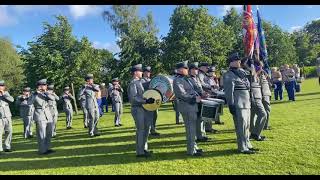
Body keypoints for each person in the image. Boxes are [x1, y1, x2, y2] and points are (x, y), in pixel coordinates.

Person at [223, 53, 257, 154]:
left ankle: (247, 144)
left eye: (239, 60)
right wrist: (231, 104)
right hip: (238, 104)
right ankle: (242, 147)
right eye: (237, 60)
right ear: (231, 62)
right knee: (241, 126)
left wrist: (251, 65)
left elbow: (253, 77)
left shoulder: (242, 71)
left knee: (247, 125)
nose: (239, 62)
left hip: (246, 103)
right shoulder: (228, 74)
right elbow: (229, 92)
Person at [173, 61, 203, 156]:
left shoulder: (186, 79)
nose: (187, 70)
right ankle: (191, 151)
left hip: (192, 106)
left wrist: (202, 95)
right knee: (190, 129)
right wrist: (195, 98)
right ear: (181, 69)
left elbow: (193, 90)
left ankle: (194, 147)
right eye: (186, 68)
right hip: (187, 106)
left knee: (192, 129)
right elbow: (181, 94)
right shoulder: (177, 80)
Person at [128, 64, 155, 158]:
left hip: (144, 108)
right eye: (140, 71)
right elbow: (133, 98)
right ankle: (139, 152)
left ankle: (144, 149)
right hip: (137, 108)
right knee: (141, 130)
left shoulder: (139, 82)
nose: (142, 73)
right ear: (135, 72)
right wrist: (146, 101)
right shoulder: (133, 83)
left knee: (146, 129)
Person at [28, 79, 55, 155]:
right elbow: (29, 103)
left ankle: (47, 148)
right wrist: (36, 94)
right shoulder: (34, 94)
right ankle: (42, 150)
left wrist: (45, 92)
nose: (45, 86)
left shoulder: (47, 93)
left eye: (45, 85)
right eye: (44, 85)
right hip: (39, 115)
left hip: (48, 115)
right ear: (39, 86)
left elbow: (53, 99)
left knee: (49, 133)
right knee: (41, 134)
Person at [188, 62, 209, 143]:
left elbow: (200, 88)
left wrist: (204, 94)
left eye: (196, 69)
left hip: (200, 100)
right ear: (190, 70)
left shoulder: (196, 78)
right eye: (194, 69)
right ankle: (198, 136)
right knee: (196, 120)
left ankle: (201, 135)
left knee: (201, 118)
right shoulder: (188, 79)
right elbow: (193, 91)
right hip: (194, 101)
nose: (196, 70)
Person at [248, 61, 267, 141]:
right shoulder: (251, 75)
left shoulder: (256, 75)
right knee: (263, 114)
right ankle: (256, 134)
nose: (261, 69)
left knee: (252, 117)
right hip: (254, 97)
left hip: (257, 97)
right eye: (259, 67)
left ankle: (253, 133)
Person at [198, 62, 218, 134]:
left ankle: (208, 128)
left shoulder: (203, 74)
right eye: (206, 67)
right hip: (203, 95)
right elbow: (201, 84)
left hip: (206, 95)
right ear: (201, 67)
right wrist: (211, 86)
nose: (207, 69)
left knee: (208, 113)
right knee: (204, 114)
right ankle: (203, 131)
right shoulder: (200, 74)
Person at [141, 66, 160, 136]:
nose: (148, 73)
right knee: (148, 116)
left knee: (155, 115)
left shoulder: (151, 80)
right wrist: (153, 82)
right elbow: (143, 86)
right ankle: (148, 130)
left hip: (154, 100)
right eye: (146, 72)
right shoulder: (141, 80)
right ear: (143, 73)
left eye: (149, 72)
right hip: (147, 100)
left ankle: (153, 129)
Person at [0, 80, 14, 154]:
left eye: (2, 86)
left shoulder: (6, 93)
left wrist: (4, 94)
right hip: (0, 117)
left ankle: (7, 147)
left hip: (7, 115)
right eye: (0, 86)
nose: (1, 87)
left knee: (9, 131)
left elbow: (12, 100)